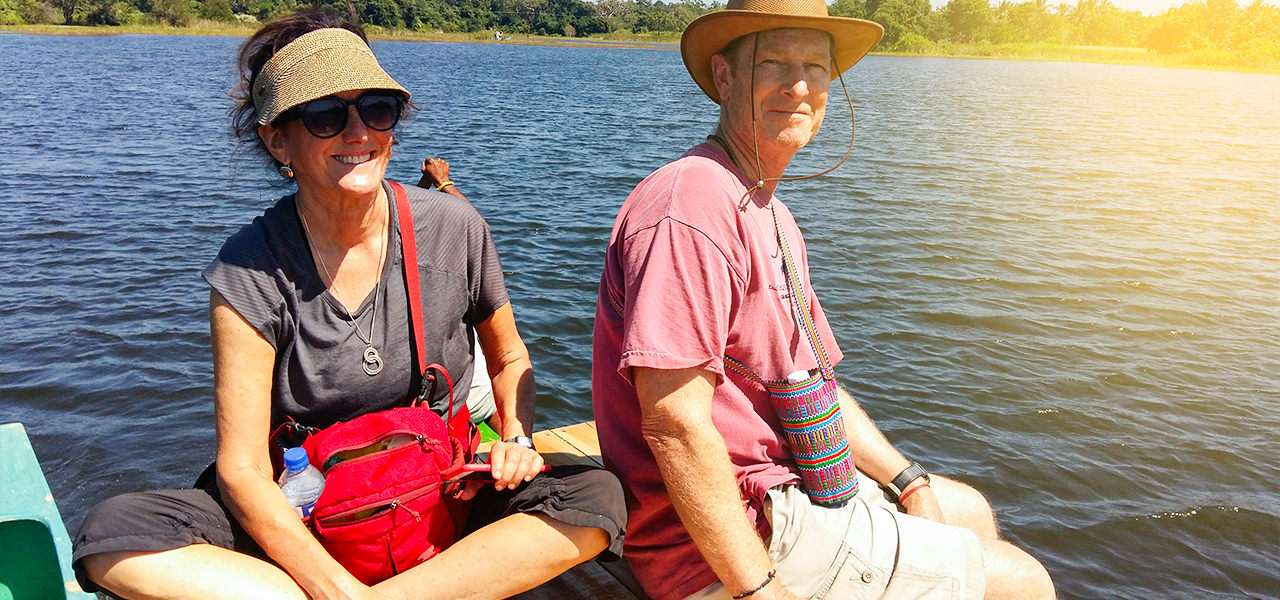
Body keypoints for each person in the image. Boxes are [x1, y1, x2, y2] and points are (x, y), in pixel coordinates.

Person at [72, 9, 625, 600]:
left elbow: (510, 358)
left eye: (376, 109)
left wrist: (515, 438)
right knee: (115, 538)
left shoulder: (452, 227)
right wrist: (335, 587)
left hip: (437, 493)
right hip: (306, 509)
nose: (357, 133)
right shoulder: (249, 268)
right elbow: (242, 469)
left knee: (595, 498)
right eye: (325, 115)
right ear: (276, 138)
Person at [591, 1, 1056, 600]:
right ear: (725, 77)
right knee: (1023, 583)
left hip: (780, 491)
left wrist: (908, 480)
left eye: (816, 66)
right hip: (717, 543)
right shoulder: (693, 204)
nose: (801, 85)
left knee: (961, 508)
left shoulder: (773, 215)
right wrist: (760, 591)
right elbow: (674, 423)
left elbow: (811, 380)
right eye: (776, 63)